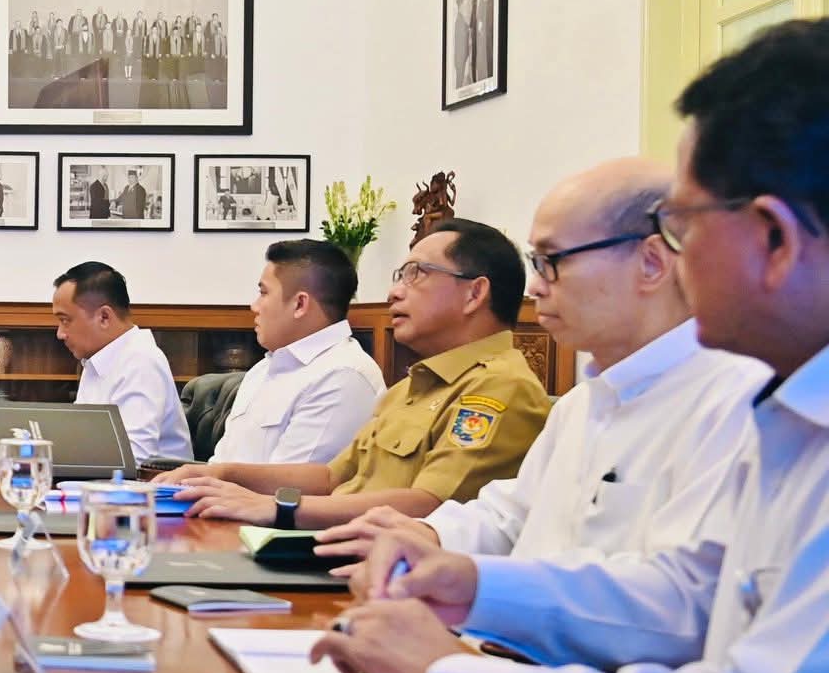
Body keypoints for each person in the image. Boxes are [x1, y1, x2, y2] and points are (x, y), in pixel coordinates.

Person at [314, 19, 829, 673]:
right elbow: (690, 592)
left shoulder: (743, 395)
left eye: (685, 225)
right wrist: (466, 579)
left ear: (774, 239)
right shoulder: (781, 404)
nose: (679, 258)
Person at [317, 158, 765, 566]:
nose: (534, 288)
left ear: (650, 263)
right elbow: (509, 516)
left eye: (552, 261)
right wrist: (423, 535)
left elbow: (673, 593)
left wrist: (477, 587)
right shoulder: (581, 403)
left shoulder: (733, 405)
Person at [166, 219, 548, 527]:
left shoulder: (500, 387)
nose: (394, 292)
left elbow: (430, 506)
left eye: (415, 274)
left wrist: (277, 507)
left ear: (474, 294)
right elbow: (331, 479)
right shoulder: (409, 389)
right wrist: (224, 474)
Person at [211, 239, 386, 466]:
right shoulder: (262, 369)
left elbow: (288, 483)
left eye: (264, 293)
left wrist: (212, 480)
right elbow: (219, 463)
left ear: (300, 304)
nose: (254, 306)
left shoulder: (343, 376)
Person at [52, 262, 189, 461]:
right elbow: (79, 441)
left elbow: (133, 458)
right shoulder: (97, 361)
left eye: (65, 320)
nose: (60, 333)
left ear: (104, 317)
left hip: (153, 480)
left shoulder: (141, 362)